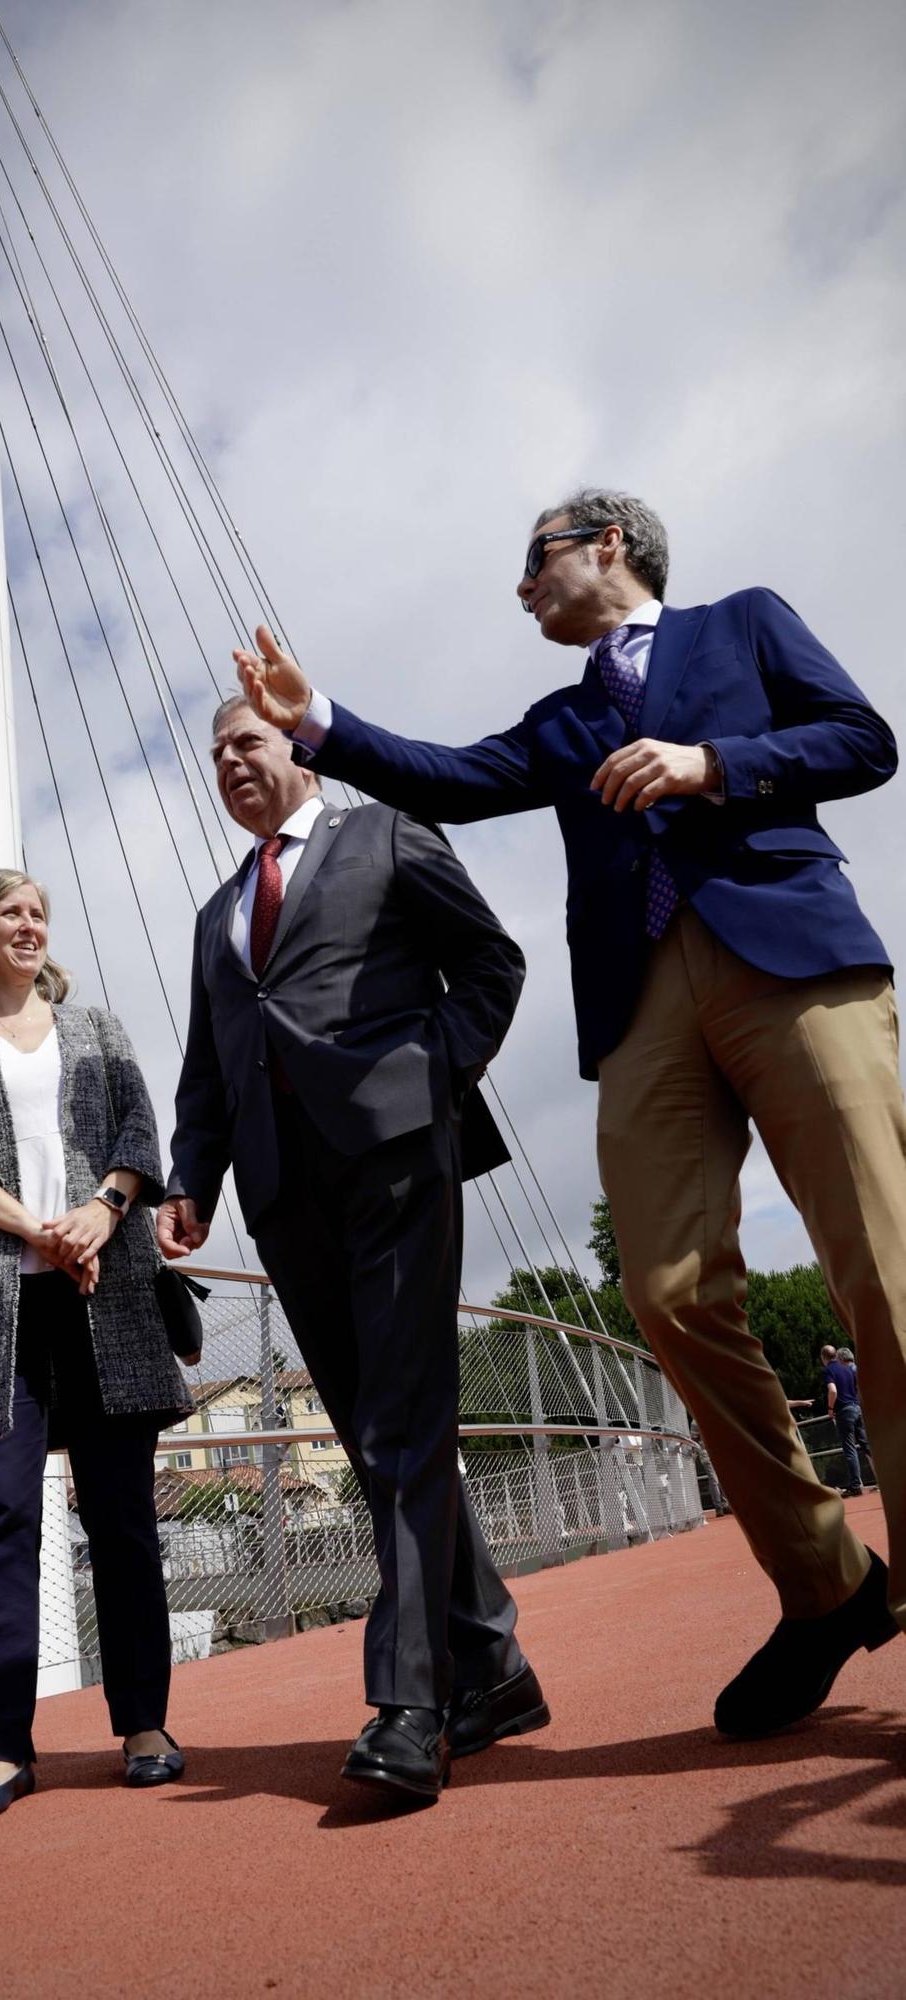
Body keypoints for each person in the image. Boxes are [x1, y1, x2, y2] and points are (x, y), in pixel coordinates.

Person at [235, 487, 905, 1740]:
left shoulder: (744, 625)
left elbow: (863, 739)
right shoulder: (562, 717)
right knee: (661, 1288)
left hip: (791, 958)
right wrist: (315, 721)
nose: (522, 586)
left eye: (532, 560)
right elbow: (452, 778)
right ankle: (828, 1584)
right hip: (643, 1003)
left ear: (608, 546)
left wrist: (716, 765)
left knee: (884, 1268)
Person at [158, 696, 545, 1802]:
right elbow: (206, 1070)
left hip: (393, 1156)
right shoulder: (213, 916)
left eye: (247, 741)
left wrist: (429, 1080)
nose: (230, 759)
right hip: (285, 1192)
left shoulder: (383, 834)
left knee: (399, 1418)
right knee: (374, 1432)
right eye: (215, 751)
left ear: (296, 749)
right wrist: (193, 1182)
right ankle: (497, 1664)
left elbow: (490, 966)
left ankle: (409, 1703)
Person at [0, 868, 193, 1826]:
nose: (29, 925)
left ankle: (143, 1724)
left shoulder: (97, 1029)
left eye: (38, 914)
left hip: (105, 1296)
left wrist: (102, 1212)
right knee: (4, 1525)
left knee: (122, 1519)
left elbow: (139, 1134)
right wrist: (38, 1230)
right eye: (10, 912)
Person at [823, 1344, 877, 1498]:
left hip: (844, 1411)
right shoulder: (848, 1369)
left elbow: (832, 1390)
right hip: (856, 1408)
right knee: (866, 1444)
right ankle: (889, 1475)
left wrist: (830, 1408)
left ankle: (855, 1486)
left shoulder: (828, 1370)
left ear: (823, 1357)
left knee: (850, 1449)